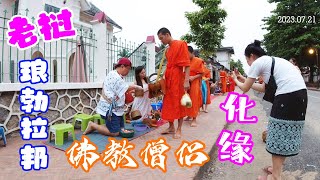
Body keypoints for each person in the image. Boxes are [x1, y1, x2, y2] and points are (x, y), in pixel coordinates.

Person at [232, 40, 307, 180]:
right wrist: (242, 78)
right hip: (300, 96)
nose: (248, 63)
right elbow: (263, 88)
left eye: (247, 59)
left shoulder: (257, 63)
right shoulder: (272, 61)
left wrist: (234, 79)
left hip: (287, 97)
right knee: (284, 135)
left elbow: (245, 88)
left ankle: (275, 176)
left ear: (252, 56)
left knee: (277, 135)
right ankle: (277, 169)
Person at [84, 58, 143, 136]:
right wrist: (136, 87)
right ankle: (93, 125)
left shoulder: (115, 74)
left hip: (116, 108)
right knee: (115, 132)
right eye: (128, 69)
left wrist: (131, 91)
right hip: (110, 110)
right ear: (122, 67)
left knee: (121, 128)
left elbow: (121, 89)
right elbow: (125, 87)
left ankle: (101, 126)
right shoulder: (115, 77)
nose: (128, 72)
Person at [157, 27, 190, 139]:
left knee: (179, 103)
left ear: (167, 35)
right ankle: (171, 126)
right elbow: (167, 65)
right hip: (169, 78)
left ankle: (179, 129)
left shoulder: (181, 44)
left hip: (178, 78)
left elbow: (187, 64)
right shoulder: (167, 50)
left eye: (161, 38)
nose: (161, 41)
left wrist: (186, 80)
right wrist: (163, 76)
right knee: (168, 103)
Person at [185, 46, 204, 127]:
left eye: (187, 54)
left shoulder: (199, 61)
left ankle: (194, 119)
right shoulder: (185, 61)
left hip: (195, 82)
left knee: (194, 100)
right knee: (187, 99)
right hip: (186, 82)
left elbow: (202, 73)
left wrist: (193, 77)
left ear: (192, 53)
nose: (186, 55)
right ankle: (189, 115)